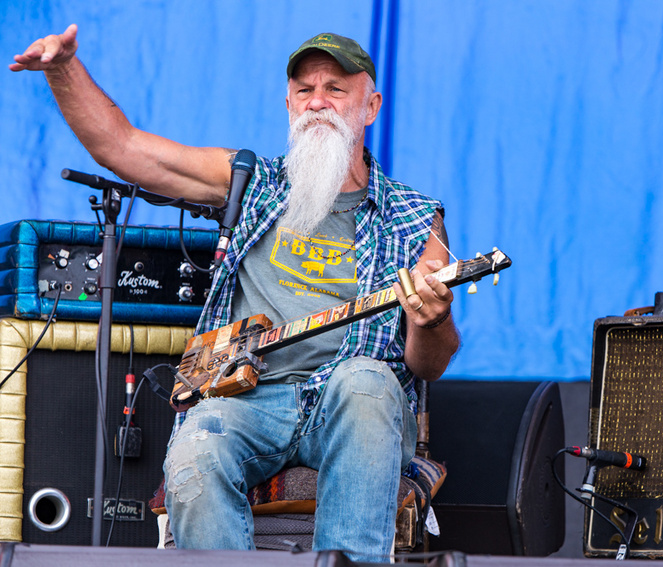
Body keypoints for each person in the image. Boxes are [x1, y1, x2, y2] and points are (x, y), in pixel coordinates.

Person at [11, 25, 460, 561]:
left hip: (350, 403)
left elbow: (429, 364)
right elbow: (122, 148)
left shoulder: (416, 219)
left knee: (367, 380)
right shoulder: (253, 182)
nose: (318, 102)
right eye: (304, 90)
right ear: (288, 104)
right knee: (195, 453)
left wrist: (432, 321)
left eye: (336, 89)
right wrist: (63, 69)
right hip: (247, 396)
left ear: (370, 105)